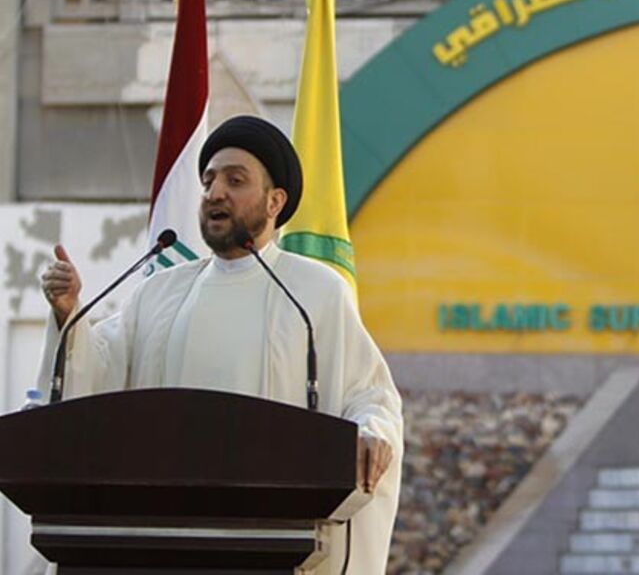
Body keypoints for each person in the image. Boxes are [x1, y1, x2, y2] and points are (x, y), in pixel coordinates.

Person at [35, 115, 402, 574]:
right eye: (208, 180)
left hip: (271, 549)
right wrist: (69, 314)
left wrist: (372, 432)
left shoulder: (313, 292)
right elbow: (97, 374)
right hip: (159, 548)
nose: (215, 192)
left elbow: (368, 394)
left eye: (235, 180)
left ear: (275, 201)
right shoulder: (159, 291)